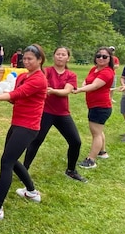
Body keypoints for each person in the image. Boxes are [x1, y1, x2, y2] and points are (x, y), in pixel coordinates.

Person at [0, 44, 47, 221]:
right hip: (17, 123)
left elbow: (17, 94)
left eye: (31, 59)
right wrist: (5, 96)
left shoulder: (39, 79)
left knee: (6, 161)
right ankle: (31, 192)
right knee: (12, 160)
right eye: (25, 58)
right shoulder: (22, 76)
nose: (27, 61)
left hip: (28, 126)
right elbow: (15, 99)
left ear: (40, 60)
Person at [23, 46, 86, 183]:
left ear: (68, 58)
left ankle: (71, 171)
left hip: (62, 113)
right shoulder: (46, 71)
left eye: (63, 54)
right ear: (54, 56)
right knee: (36, 141)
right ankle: (24, 170)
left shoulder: (71, 75)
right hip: (45, 112)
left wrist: (52, 90)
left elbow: (66, 91)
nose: (60, 56)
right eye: (58, 54)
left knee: (76, 141)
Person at [73, 47, 115, 169]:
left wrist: (79, 90)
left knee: (96, 133)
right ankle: (102, 152)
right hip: (94, 105)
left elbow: (95, 85)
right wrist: (83, 85)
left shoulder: (107, 72)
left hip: (101, 107)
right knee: (99, 131)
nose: (101, 58)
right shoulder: (94, 69)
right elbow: (87, 82)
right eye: (98, 56)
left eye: (104, 56)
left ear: (109, 59)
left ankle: (91, 160)